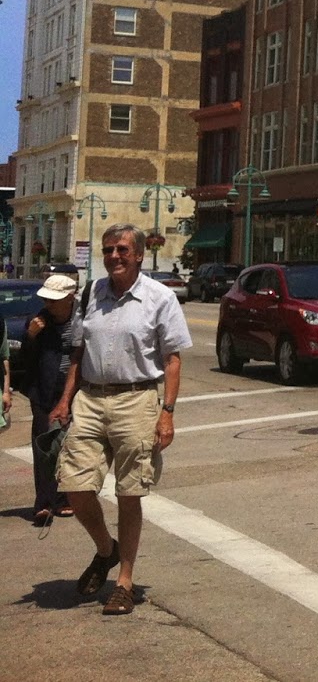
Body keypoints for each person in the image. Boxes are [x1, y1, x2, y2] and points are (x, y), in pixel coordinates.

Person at [50, 225, 191, 616]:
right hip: (90, 399)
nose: (114, 256)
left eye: (122, 249)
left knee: (130, 493)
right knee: (74, 486)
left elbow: (172, 360)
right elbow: (78, 352)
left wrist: (167, 414)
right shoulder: (91, 293)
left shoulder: (160, 297)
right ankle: (105, 549)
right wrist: (65, 399)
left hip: (137, 399)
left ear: (139, 254)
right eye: (109, 249)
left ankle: (124, 583)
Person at [23, 274, 81, 523]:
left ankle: (65, 498)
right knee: (45, 447)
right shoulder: (38, 322)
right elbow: (25, 361)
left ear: (70, 298)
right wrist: (31, 337)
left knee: (72, 446)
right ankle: (44, 503)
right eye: (46, 300)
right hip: (44, 391)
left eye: (54, 300)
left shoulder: (83, 319)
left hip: (78, 391)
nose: (48, 304)